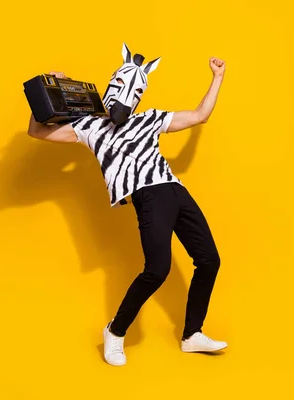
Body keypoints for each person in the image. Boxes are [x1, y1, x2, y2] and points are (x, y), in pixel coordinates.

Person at [27, 43, 227, 366]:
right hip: (147, 195)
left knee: (209, 260)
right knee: (157, 269)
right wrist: (47, 89)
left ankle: (192, 334)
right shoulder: (90, 126)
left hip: (176, 190)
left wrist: (217, 77)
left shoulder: (150, 119)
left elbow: (200, 116)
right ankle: (115, 332)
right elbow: (36, 131)